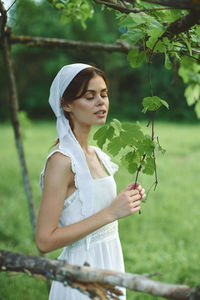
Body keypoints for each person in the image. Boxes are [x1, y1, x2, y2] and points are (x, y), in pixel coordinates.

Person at [36, 63, 146, 300]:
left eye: (104, 94)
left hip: (110, 262)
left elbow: (94, 207)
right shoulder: (61, 162)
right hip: (81, 272)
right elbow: (44, 241)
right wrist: (111, 212)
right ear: (66, 104)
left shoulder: (98, 155)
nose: (101, 102)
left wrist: (126, 199)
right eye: (90, 96)